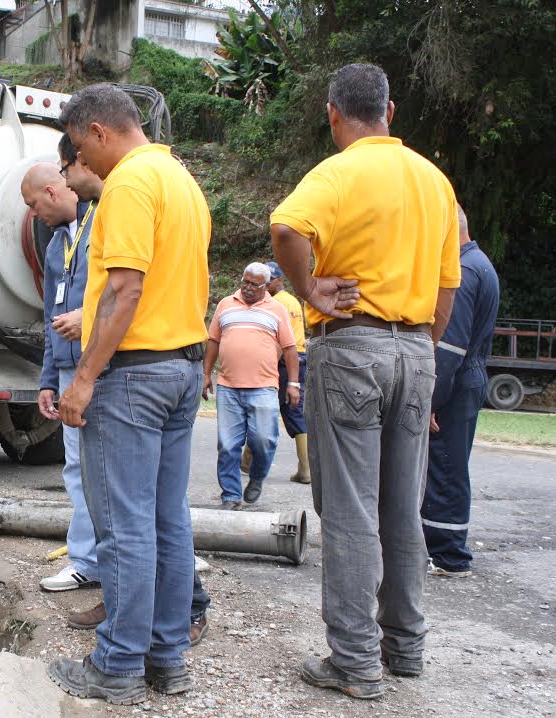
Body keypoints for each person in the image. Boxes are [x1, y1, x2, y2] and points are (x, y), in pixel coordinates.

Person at [271, 63, 460, 699]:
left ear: (333, 113)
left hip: (352, 347)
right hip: (417, 349)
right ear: (391, 110)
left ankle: (354, 661)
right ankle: (404, 649)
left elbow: (286, 227)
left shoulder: (338, 171)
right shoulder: (434, 182)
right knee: (403, 506)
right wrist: (421, 351)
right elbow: (446, 288)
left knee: (351, 509)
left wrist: (306, 288)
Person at [51, 84, 211, 706]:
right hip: (180, 369)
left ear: (96, 131)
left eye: (81, 149)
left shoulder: (128, 184)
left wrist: (84, 378)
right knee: (169, 522)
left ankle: (117, 664)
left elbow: (124, 292)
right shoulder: (181, 180)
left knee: (122, 526)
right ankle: (167, 659)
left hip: (132, 377)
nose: (84, 165)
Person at [21, 160, 99, 594]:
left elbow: (127, 292)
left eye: (34, 204)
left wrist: (88, 317)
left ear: (53, 191)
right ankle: (86, 561)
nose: (34, 215)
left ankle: (161, 556)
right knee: (77, 468)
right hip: (69, 368)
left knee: (119, 470)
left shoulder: (102, 222)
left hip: (105, 364)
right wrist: (48, 379)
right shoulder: (54, 248)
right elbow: (51, 317)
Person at [423, 205, 499, 578]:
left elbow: (449, 348)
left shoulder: (464, 271)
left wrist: (430, 402)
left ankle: (450, 555)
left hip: (456, 381)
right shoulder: (480, 263)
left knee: (445, 466)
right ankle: (442, 547)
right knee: (447, 464)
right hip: (469, 376)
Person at [203, 263, 300, 509]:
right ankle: (230, 496)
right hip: (227, 386)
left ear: (265, 286)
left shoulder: (277, 309)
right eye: (244, 281)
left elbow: (290, 349)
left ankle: (256, 477)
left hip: (264, 387)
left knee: (264, 441)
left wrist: (293, 383)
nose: (246, 287)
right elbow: (213, 340)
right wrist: (205, 375)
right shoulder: (226, 304)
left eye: (253, 284)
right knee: (227, 445)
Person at [267, 260, 311, 484]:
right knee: (275, 406)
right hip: (300, 356)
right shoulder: (292, 300)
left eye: (270, 279)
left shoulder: (277, 303)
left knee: (284, 408)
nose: (266, 284)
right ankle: (247, 459)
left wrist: (269, 362)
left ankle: (306, 469)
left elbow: (279, 337)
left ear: (279, 279)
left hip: (287, 358)